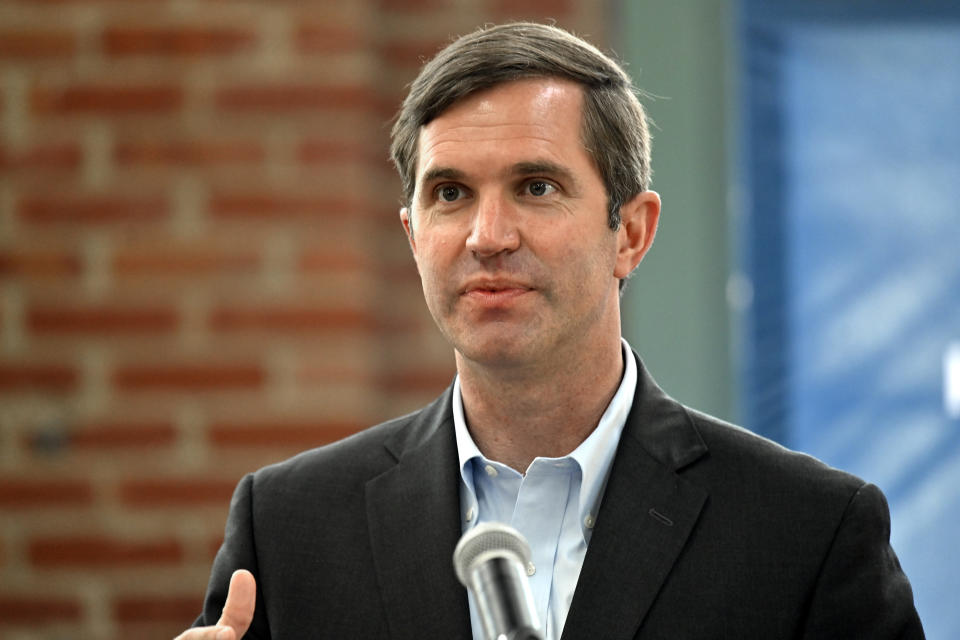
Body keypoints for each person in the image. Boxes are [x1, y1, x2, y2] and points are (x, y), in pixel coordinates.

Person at [178, 22, 924, 640]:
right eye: (450, 193)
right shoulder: (289, 531)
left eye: (536, 187)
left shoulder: (806, 533)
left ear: (630, 232)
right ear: (412, 236)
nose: (487, 234)